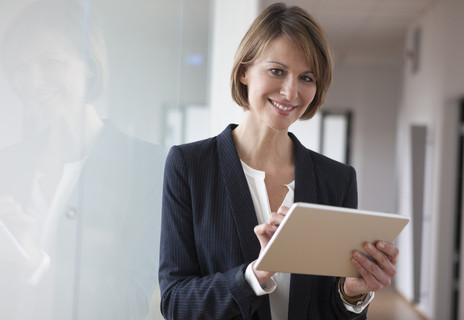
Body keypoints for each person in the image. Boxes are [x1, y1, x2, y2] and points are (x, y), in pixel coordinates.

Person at [159, 3, 398, 320]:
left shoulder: (337, 180)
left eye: (307, 77)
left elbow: (335, 310)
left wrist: (352, 293)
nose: (290, 92)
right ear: (244, 70)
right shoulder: (189, 166)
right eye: (277, 71)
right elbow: (175, 302)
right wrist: (256, 273)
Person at [0, 1, 164, 319]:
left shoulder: (146, 165)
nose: (32, 82)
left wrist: (38, 265)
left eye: (50, 62)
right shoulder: (8, 161)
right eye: (21, 68)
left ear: (89, 63)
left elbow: (131, 302)